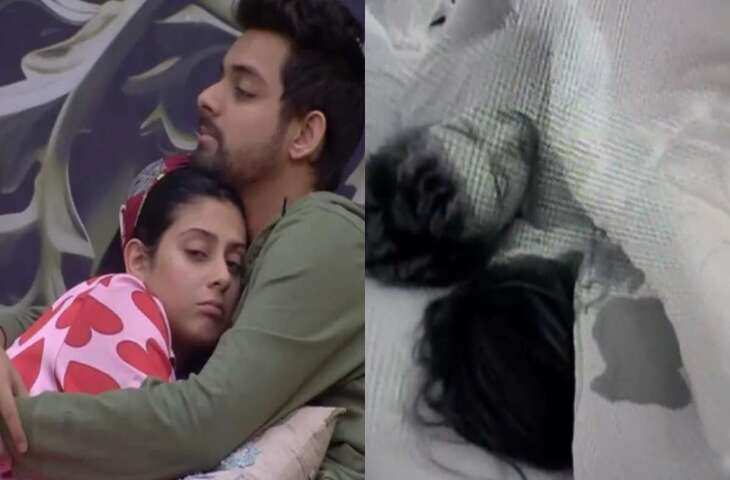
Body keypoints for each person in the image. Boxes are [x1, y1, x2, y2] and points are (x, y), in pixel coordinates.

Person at [0, 0, 365, 479]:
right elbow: (68, 312)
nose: (207, 98)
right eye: (219, 78)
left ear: (304, 134)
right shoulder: (226, 228)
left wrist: (14, 426)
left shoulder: (326, 233)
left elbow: (200, 424)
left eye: (243, 90)